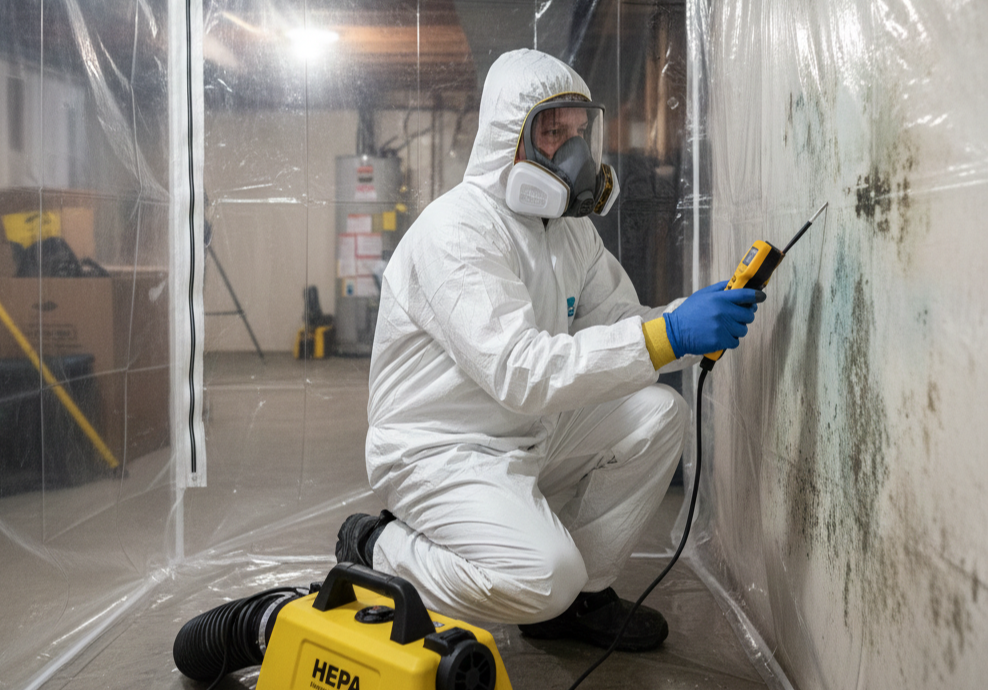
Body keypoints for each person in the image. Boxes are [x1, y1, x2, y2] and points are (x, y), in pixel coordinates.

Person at [336, 48, 763, 651]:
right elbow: (520, 371)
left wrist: (690, 319)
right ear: (509, 137)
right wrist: (670, 337)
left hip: (529, 431)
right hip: (441, 449)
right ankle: (379, 546)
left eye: (578, 132)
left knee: (657, 413)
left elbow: (618, 323)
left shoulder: (569, 230)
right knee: (542, 577)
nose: (574, 152)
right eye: (552, 130)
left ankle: (579, 604)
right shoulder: (455, 232)